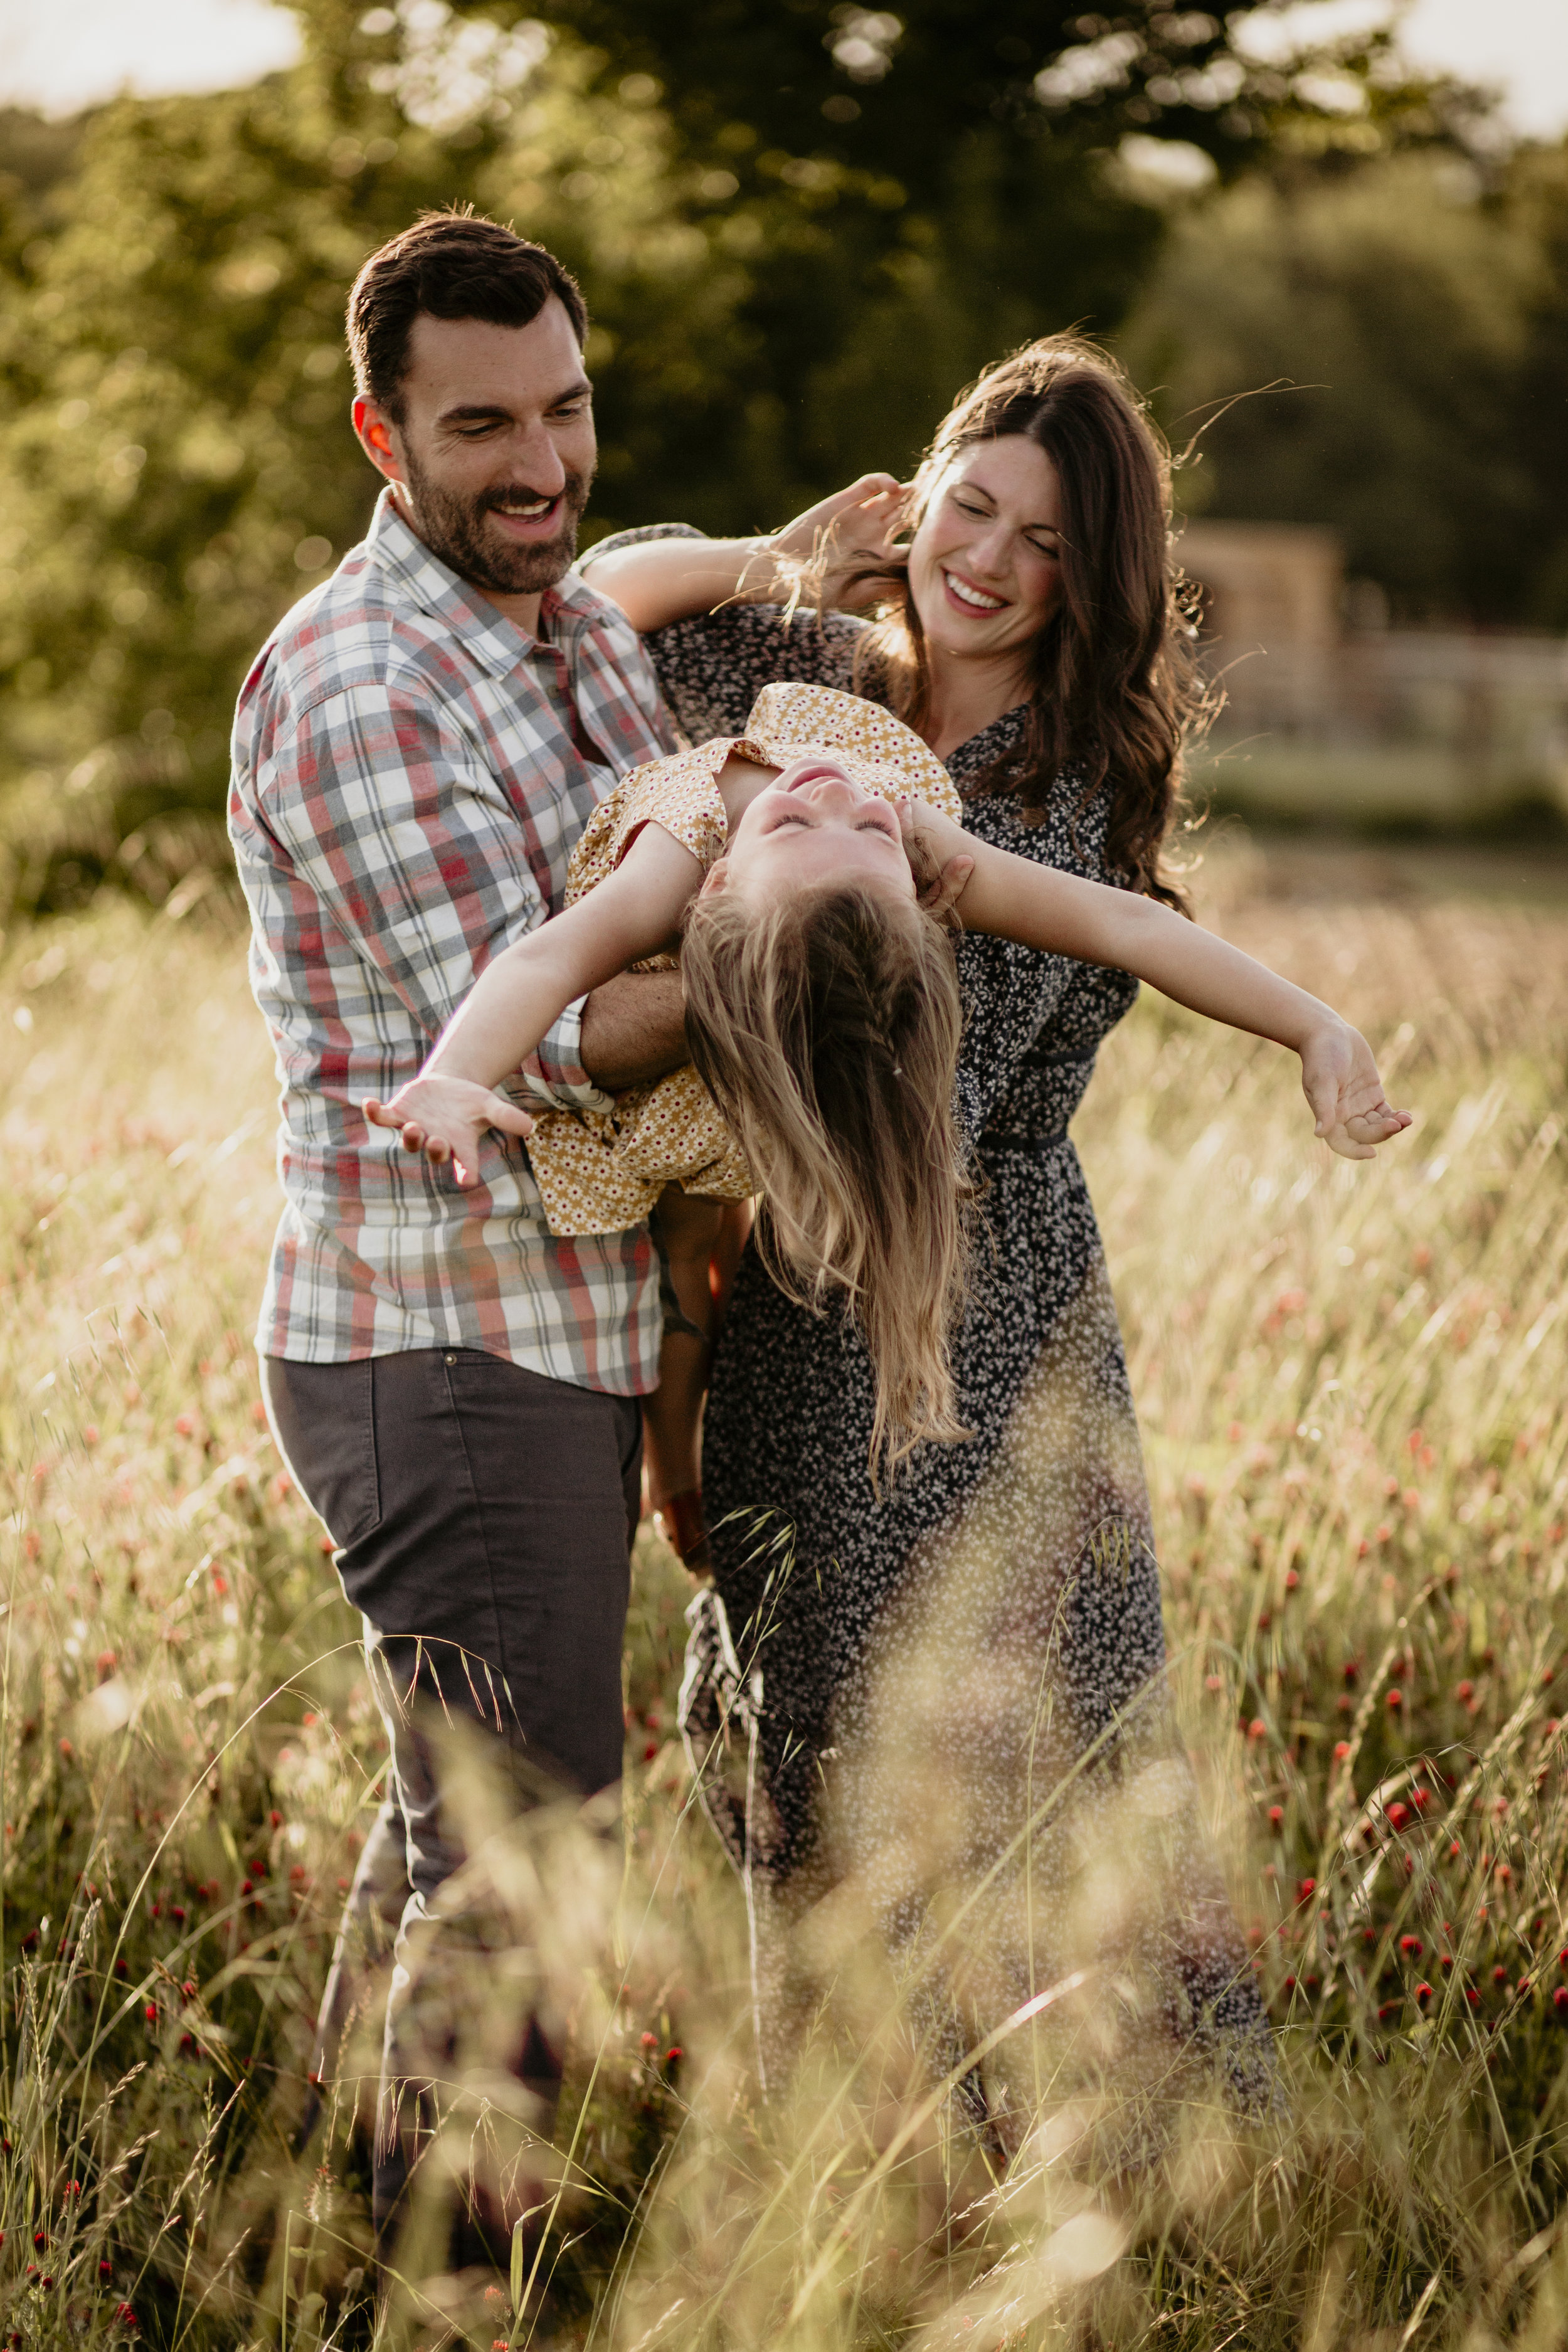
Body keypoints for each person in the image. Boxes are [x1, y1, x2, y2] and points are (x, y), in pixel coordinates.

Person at [578, 336, 1369, 2119]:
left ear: (1092, 584)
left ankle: (1092, 2165)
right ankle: (850, 2159)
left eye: (1048, 542)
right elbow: (584, 615)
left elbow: (901, 1101)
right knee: (813, 1738)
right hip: (787, 1303)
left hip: (970, 1297)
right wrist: (775, 554)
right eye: (973, 502)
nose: (991, 558)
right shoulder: (803, 672)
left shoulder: (1059, 788)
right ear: (919, 489)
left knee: (1024, 1738)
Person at [226, 209, 692, 2252]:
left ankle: (318, 2261)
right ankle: (443, 2299)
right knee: (525, 1883)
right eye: (483, 424)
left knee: (456, 1858)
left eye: (569, 410)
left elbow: (652, 851)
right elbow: (535, 1045)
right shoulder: (360, 682)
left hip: (552, 1328)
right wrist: (821, 953)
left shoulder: (564, 619)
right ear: (381, 431)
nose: (542, 463)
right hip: (444, 1342)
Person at [365, 677, 1405, 1500]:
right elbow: (551, 964)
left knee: (696, 1240)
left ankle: (672, 1461)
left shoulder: (793, 851)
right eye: (842, 831)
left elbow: (1129, 924)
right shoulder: (774, 843)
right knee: (685, 1248)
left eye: (861, 833)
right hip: (731, 1026)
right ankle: (674, 1463)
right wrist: (457, 1072)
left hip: (772, 1064)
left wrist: (1314, 1025)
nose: (842, 799)